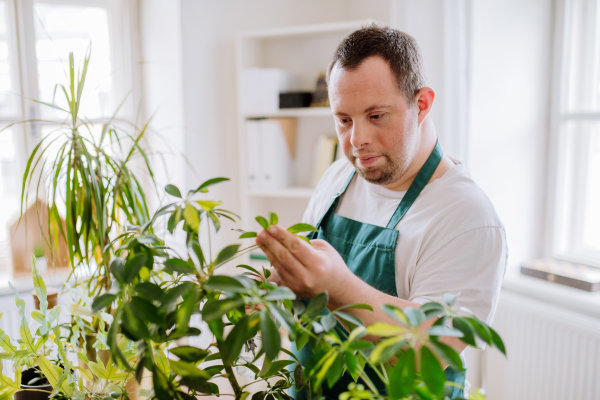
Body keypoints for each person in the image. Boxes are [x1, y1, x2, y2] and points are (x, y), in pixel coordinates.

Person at [255, 23, 507, 400]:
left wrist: (337, 286)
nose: (357, 141)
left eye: (376, 116)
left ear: (421, 104)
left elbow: (427, 352)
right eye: (344, 120)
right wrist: (280, 286)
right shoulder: (339, 176)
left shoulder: (468, 218)